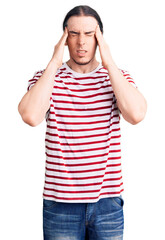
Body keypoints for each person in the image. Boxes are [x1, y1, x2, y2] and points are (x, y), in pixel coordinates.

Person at [18, 5, 147, 240]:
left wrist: (109, 63)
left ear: (100, 38)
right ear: (64, 38)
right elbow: (30, 116)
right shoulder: (46, 78)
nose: (81, 42)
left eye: (89, 34)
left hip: (107, 202)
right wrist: (54, 62)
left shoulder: (117, 78)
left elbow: (136, 115)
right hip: (60, 205)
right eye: (74, 34)